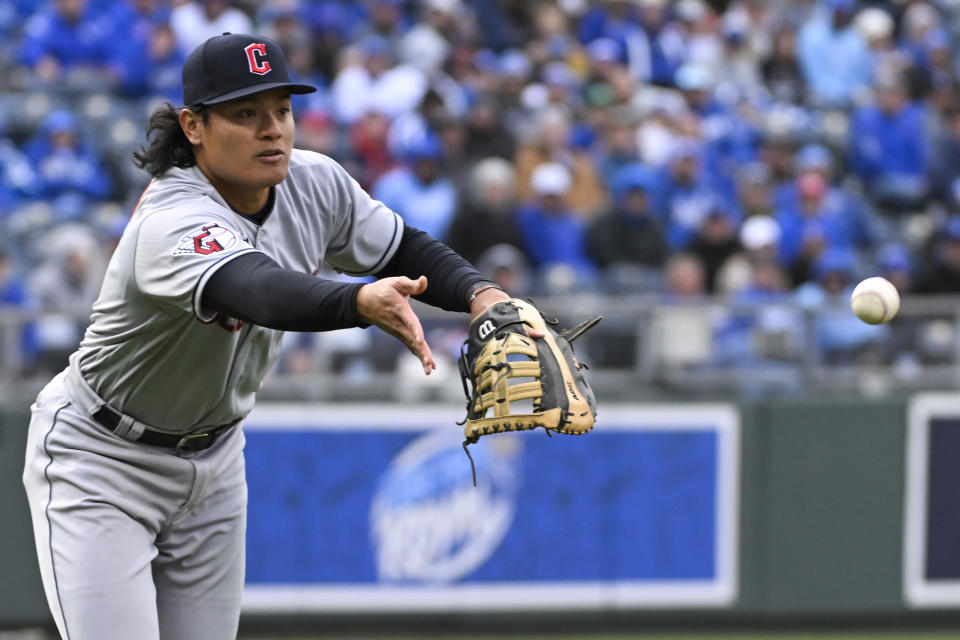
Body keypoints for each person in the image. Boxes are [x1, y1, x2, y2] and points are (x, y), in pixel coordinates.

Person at [21, 33, 512, 640]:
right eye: (246, 113)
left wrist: (481, 293)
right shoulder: (172, 214)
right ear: (193, 126)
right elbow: (256, 288)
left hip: (216, 460)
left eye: (282, 109)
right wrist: (357, 299)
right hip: (102, 459)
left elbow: (404, 247)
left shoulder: (315, 181)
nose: (272, 129)